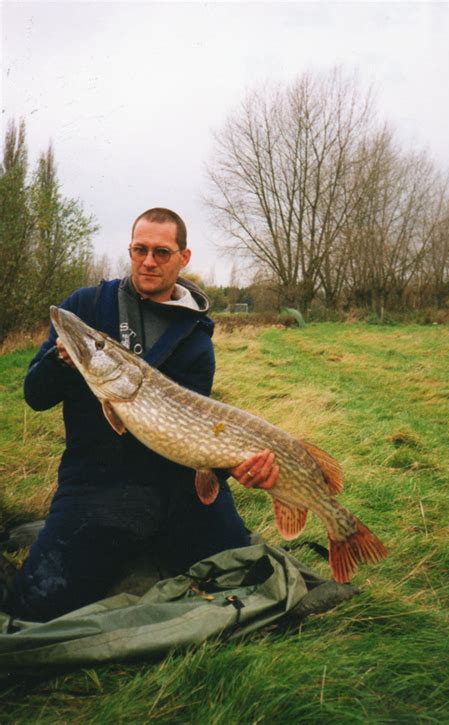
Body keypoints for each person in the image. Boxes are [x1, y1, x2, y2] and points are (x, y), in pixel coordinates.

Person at [12, 207, 279, 622]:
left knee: (243, 577)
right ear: (131, 249)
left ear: (183, 257)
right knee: (37, 603)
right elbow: (35, 395)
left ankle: (153, 539)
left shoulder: (195, 341)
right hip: (95, 483)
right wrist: (59, 362)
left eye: (161, 252)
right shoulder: (87, 306)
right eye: (140, 250)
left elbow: (195, 438)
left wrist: (235, 468)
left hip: (174, 483)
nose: (148, 261)